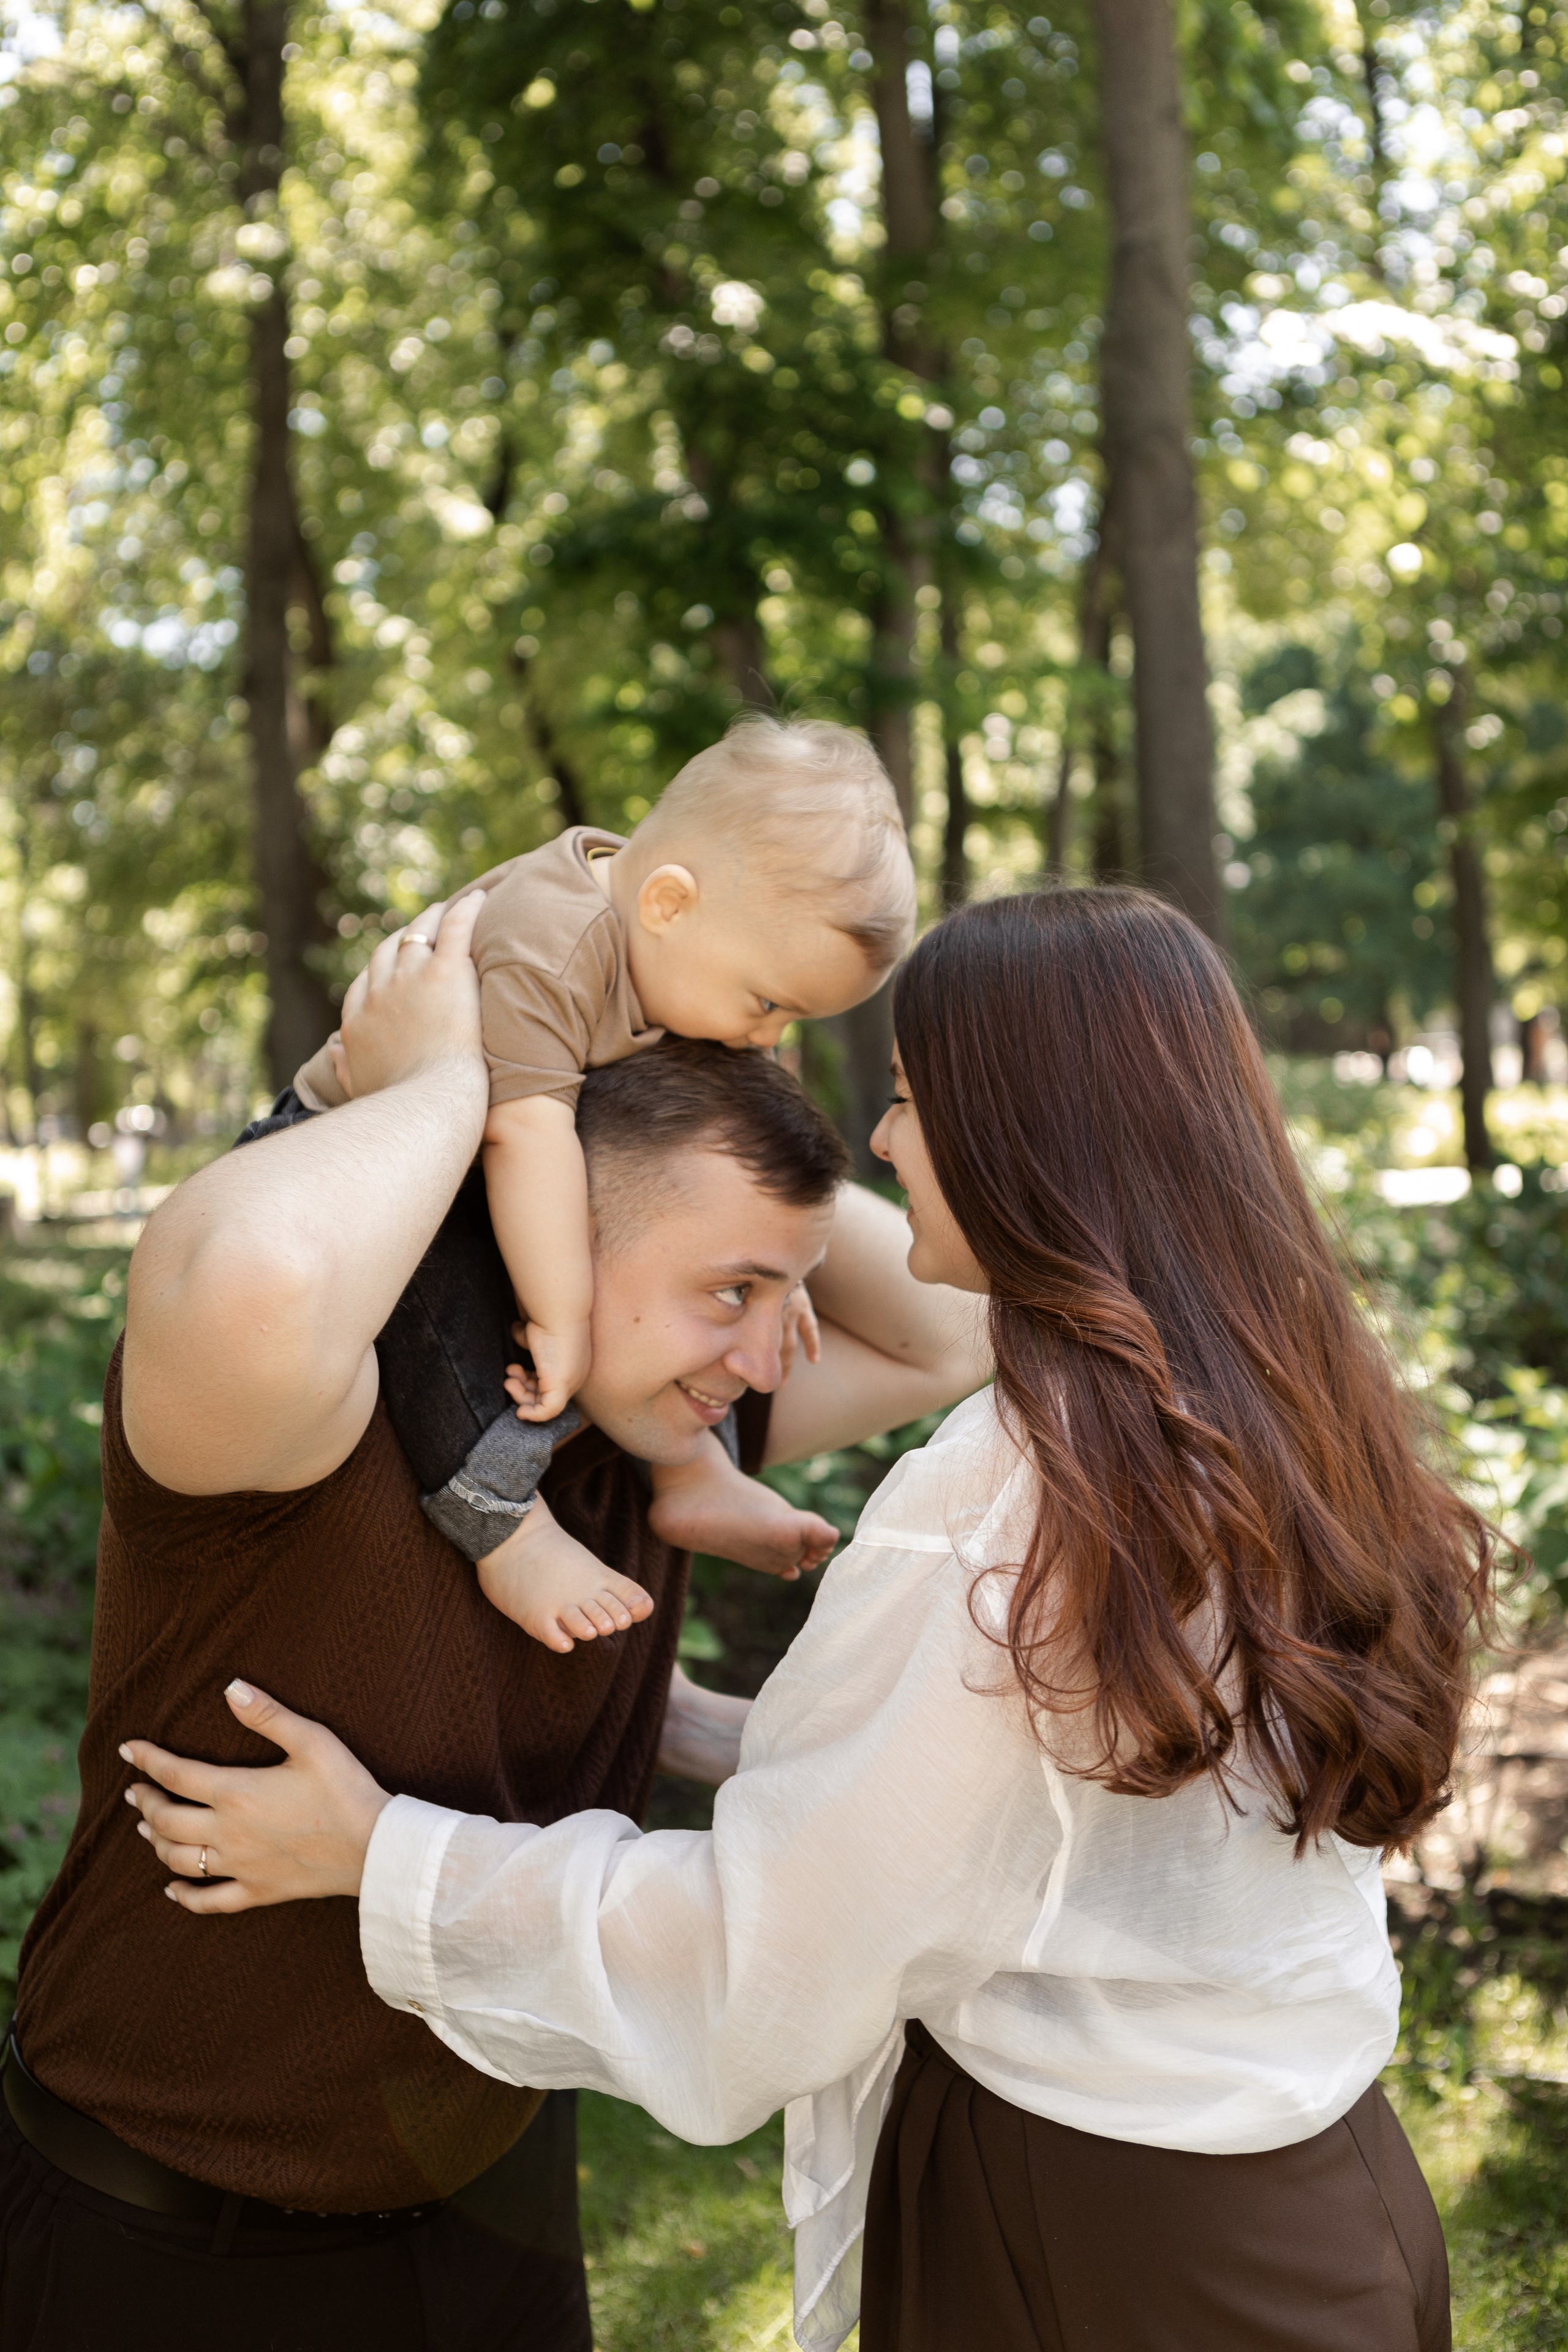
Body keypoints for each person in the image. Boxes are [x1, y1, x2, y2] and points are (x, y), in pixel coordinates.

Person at [124, 888, 1493, 2352]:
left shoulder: (1009, 1503)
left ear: (1027, 1131)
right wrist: (689, 1724)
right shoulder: (1254, 1416)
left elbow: (758, 1961)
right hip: (1322, 2186)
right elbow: (1038, 1797)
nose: (891, 1149)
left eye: (908, 1101)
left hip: (1107, 2244)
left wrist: (379, 1857)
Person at [0, 893, 989, 2352]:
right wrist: (471, 1083)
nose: (779, 1346)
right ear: (548, 1257)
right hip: (165, 2245)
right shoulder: (300, 1424)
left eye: (783, 1291)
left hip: (496, 2218)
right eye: (734, 1291)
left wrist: (622, 1055)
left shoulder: (648, 1426)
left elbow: (945, 1321)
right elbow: (248, 1269)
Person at [292, 714, 916, 1653]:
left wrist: (777, 1281)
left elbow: (741, 1130)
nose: (771, 1036)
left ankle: (692, 1472)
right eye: (769, 1001)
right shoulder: (552, 941)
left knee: (631, 1279)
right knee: (459, 1296)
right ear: (668, 904)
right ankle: (497, 1516)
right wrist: (565, 1317)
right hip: (350, 1159)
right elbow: (524, 1130)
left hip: (475, 1157)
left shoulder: (679, 950)